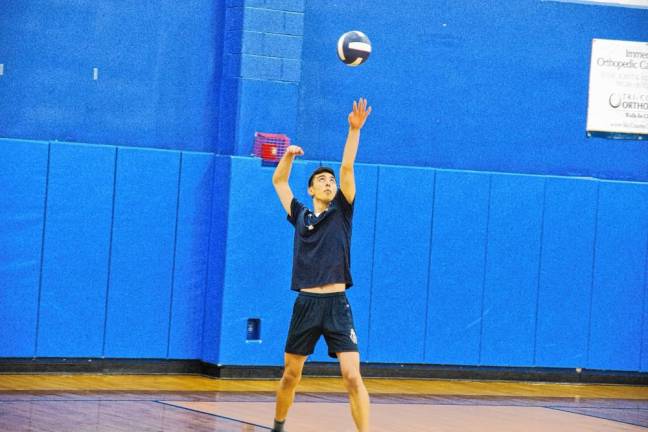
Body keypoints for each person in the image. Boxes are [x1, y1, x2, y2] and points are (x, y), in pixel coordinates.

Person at [270, 98, 372, 432]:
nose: (329, 182)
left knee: (352, 376)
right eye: (322, 180)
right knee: (290, 376)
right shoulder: (300, 215)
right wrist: (286, 156)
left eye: (331, 180)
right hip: (306, 304)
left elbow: (346, 168)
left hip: (336, 305)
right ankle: (279, 425)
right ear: (312, 188)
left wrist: (353, 130)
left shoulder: (342, 211)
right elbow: (280, 183)